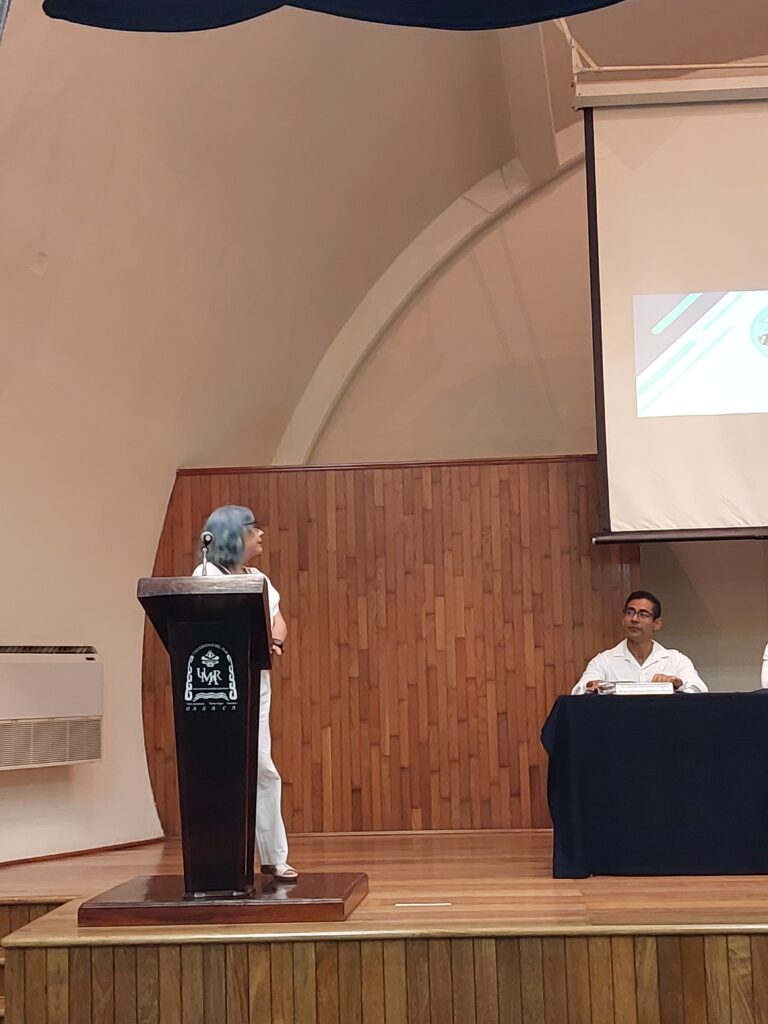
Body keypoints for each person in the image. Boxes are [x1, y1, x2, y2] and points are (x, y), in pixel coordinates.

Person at [193, 504, 297, 882]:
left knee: (262, 765)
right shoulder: (205, 575)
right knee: (220, 768)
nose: (261, 534)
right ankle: (218, 858)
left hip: (254, 680)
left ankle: (273, 856)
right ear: (233, 534)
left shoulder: (259, 578)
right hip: (215, 684)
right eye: (254, 528)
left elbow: (277, 621)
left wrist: (277, 642)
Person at [572, 590, 708, 694]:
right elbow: (579, 691)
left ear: (657, 624)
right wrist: (594, 687)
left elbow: (700, 690)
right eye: (630, 613)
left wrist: (678, 683)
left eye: (643, 614)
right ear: (623, 619)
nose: (634, 619)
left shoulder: (675, 660)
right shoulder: (604, 661)